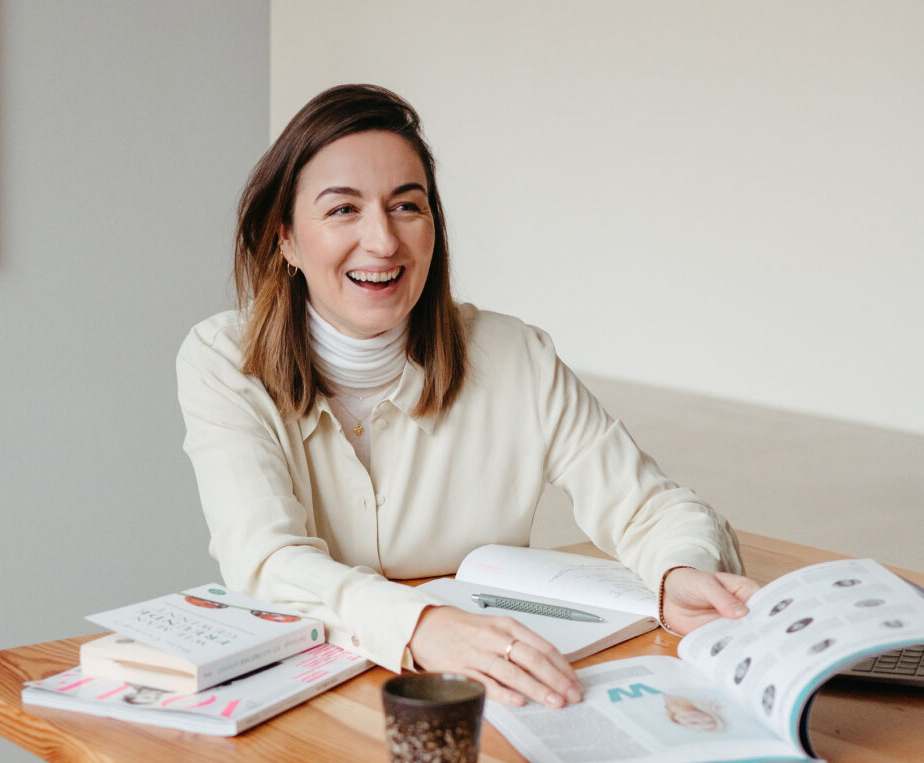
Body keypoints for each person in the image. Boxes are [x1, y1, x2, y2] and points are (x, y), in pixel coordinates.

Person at [176, 83, 759, 713]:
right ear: (285, 238)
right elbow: (265, 562)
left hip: (481, 697)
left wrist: (678, 571)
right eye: (343, 210)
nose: (382, 241)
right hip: (306, 705)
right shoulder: (222, 361)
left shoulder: (514, 357)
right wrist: (423, 626)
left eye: (407, 206)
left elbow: (651, 507)